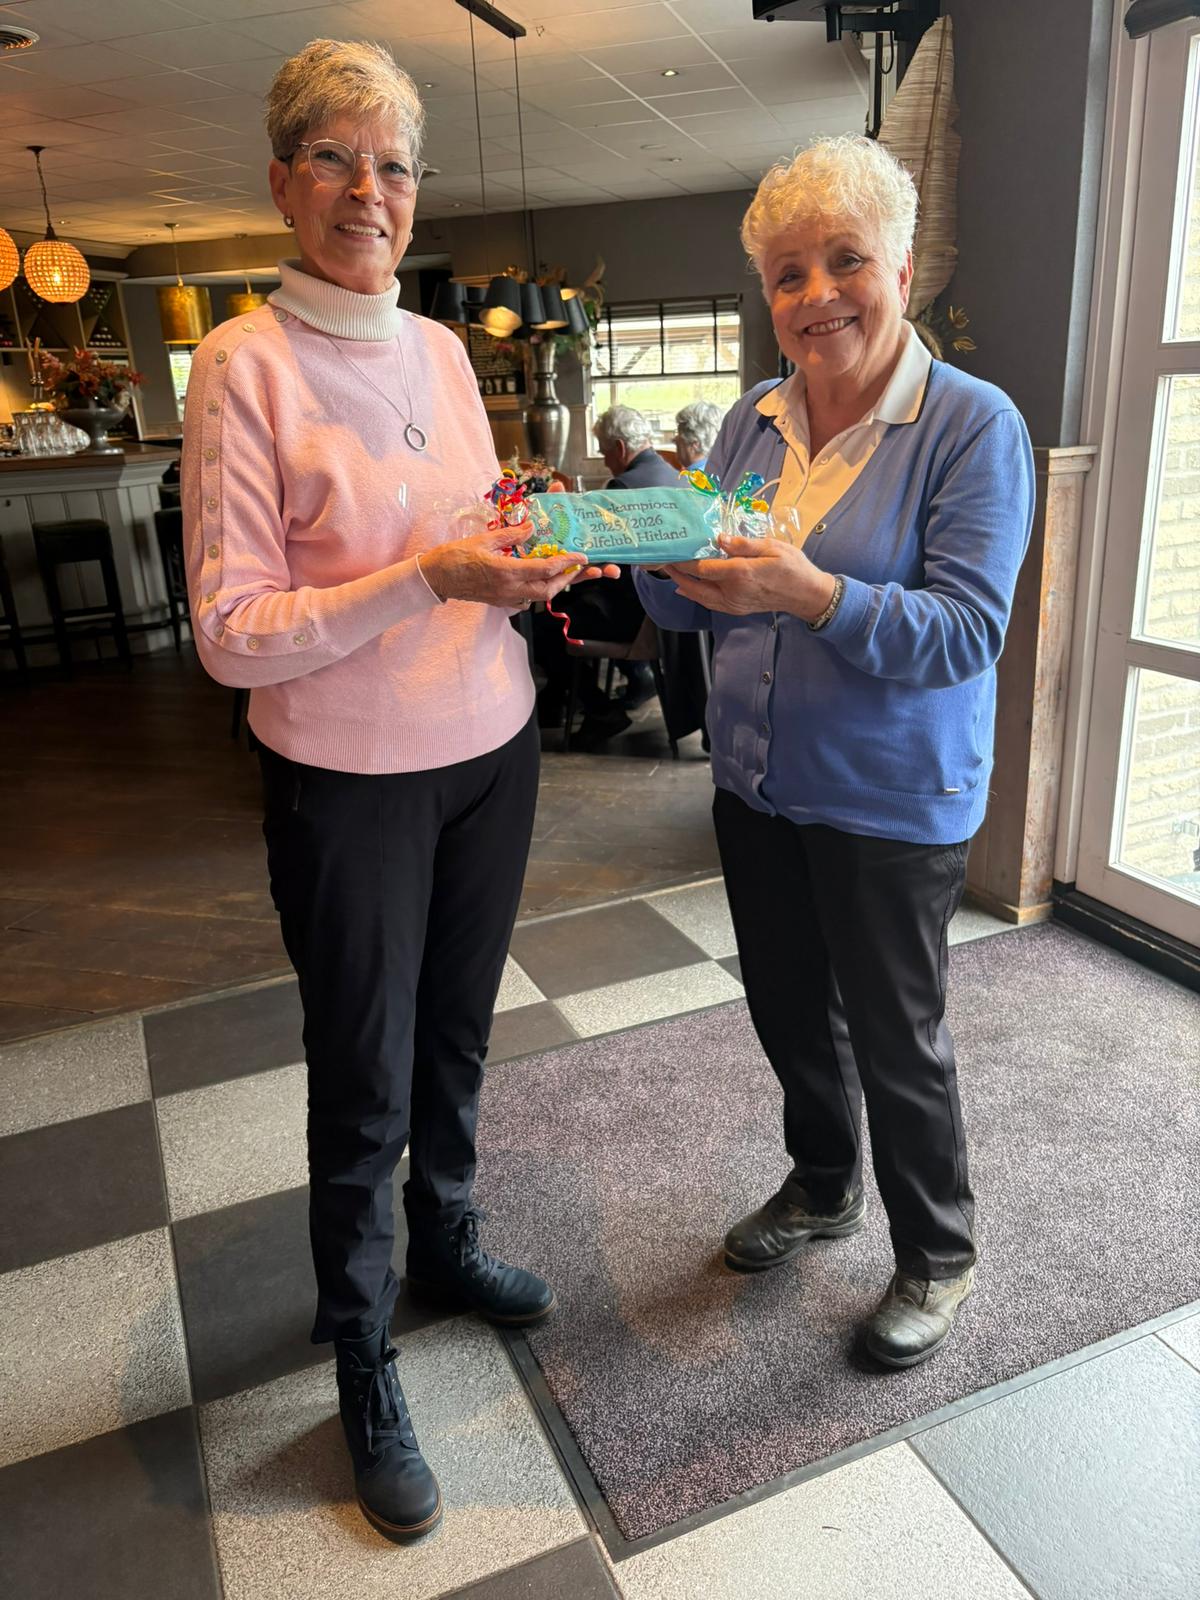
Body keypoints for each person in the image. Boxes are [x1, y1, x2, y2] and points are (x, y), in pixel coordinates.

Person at [182, 39, 615, 1545]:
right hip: (347, 781)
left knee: (455, 1038)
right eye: (337, 158)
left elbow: (476, 535)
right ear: (283, 181)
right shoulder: (243, 363)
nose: (369, 190)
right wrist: (425, 576)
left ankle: (447, 1243)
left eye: (395, 165)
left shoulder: (437, 349)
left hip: (491, 749)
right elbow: (231, 633)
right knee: (364, 1081)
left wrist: (528, 556)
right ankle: (362, 1356)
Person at [635, 135, 1035, 1369]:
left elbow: (966, 631)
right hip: (757, 784)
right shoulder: (750, 424)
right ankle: (823, 1184)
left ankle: (940, 1254)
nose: (817, 296)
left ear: (901, 271)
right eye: (788, 274)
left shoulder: (972, 426)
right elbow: (694, 600)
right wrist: (636, 553)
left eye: (845, 261)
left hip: (891, 800)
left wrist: (809, 593)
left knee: (897, 1033)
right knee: (789, 1008)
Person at [533, 406, 678, 738]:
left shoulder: (622, 487)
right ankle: (563, 701)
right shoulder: (672, 475)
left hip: (627, 612)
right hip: (660, 613)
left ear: (620, 448)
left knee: (544, 630)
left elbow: (594, 558)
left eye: (604, 452)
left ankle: (600, 710)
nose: (605, 461)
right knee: (565, 612)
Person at [674, 399, 725, 473]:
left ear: (695, 443)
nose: (675, 439)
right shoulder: (730, 471)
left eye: (679, 434)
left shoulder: (688, 478)